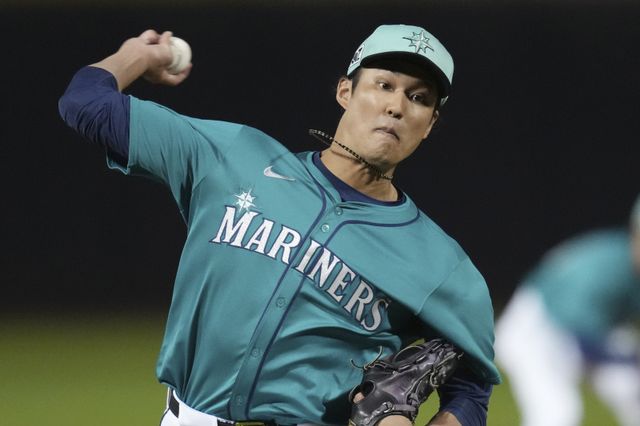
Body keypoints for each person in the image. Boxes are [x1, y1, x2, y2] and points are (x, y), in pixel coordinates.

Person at [58, 24, 501, 426]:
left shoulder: (441, 267)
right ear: (345, 91)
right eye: (383, 85)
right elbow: (86, 103)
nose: (396, 106)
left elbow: (471, 389)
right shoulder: (233, 157)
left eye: (419, 98)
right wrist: (139, 55)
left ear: (430, 124)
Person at [495, 195, 640, 426]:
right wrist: (627, 357)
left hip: (585, 332)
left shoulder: (627, 265)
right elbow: (582, 337)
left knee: (632, 389)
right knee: (557, 413)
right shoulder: (602, 269)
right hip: (536, 331)